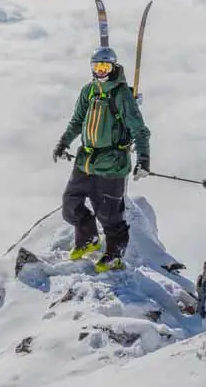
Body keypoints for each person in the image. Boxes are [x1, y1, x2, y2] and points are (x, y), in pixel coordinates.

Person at [52, 46, 151, 272]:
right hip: (86, 160)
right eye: (97, 67)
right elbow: (77, 121)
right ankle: (88, 239)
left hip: (112, 164)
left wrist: (143, 159)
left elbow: (140, 130)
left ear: (114, 67)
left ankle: (114, 255)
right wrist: (63, 143)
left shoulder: (122, 94)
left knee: (109, 214)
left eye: (105, 67)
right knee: (70, 203)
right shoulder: (88, 91)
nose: (101, 71)